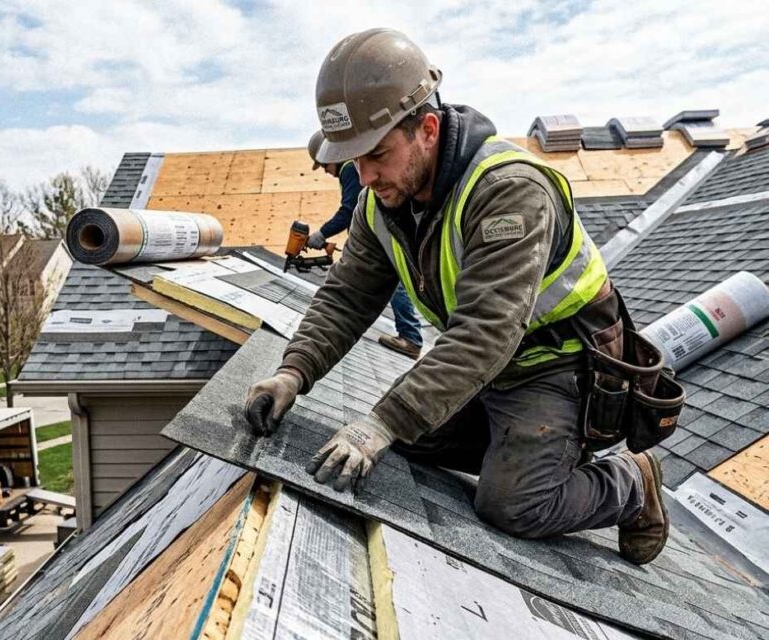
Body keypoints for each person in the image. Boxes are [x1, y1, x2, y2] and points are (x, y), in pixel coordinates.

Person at [245, 28, 667, 565]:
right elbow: (346, 297)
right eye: (354, 161)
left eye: (377, 154)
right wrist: (293, 372)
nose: (366, 175)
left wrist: (382, 423)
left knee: (511, 504)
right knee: (402, 440)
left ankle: (633, 481)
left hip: (560, 369)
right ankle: (509, 444)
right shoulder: (382, 204)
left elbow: (487, 330)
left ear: (426, 129)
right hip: (489, 368)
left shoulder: (509, 191)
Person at [306, 130, 424, 359]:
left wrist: (322, 233)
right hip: (382, 233)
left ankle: (410, 338)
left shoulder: (350, 168)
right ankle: (411, 336)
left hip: (380, 236)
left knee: (389, 283)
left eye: (323, 166)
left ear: (332, 156)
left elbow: (348, 211)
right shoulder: (353, 168)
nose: (326, 172)